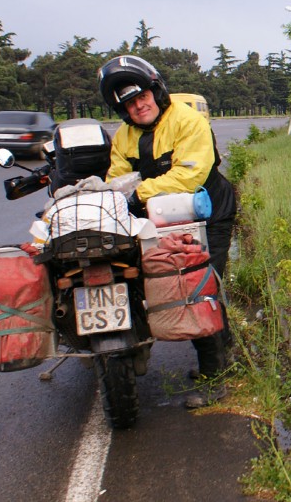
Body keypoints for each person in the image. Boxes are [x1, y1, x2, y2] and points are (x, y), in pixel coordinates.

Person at [98, 55, 237, 409]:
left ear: (156, 91)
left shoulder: (187, 121)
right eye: (128, 103)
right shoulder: (124, 137)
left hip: (209, 210)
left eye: (142, 95)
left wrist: (139, 191)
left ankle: (215, 378)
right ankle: (226, 352)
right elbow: (116, 179)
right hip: (163, 218)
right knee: (181, 282)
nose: (138, 105)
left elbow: (189, 175)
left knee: (199, 287)